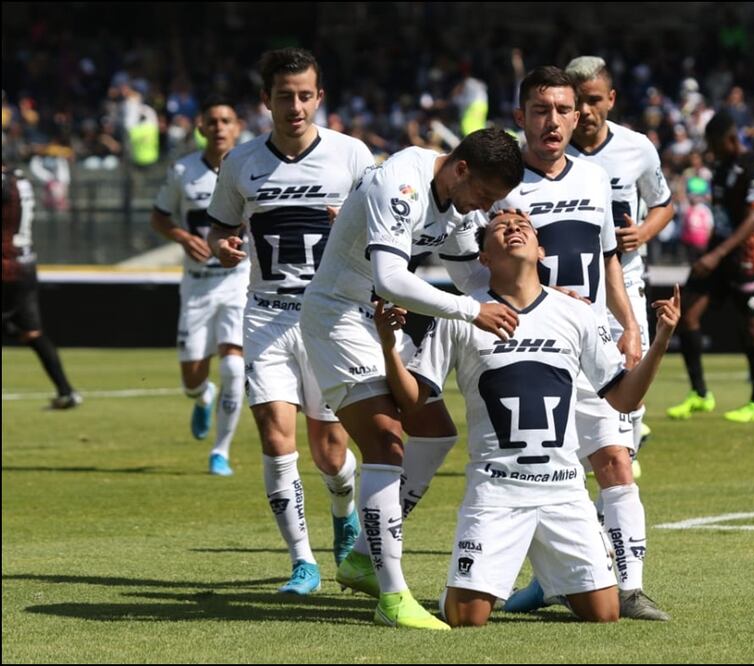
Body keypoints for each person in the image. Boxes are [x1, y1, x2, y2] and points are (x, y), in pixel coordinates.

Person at [374, 210, 682, 627]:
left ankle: (550, 580)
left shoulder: (578, 314)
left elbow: (624, 399)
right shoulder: (462, 315)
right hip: (496, 492)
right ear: (483, 257)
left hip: (564, 493)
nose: (513, 228)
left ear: (541, 249)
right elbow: (413, 403)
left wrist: (660, 340)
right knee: (466, 618)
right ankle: (488, 579)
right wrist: (390, 347)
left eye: (523, 226)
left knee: (605, 614)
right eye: (500, 228)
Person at [298, 126, 523, 629]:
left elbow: (473, 276)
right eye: (483, 195)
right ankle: (393, 598)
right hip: (336, 315)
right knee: (386, 444)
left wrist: (536, 296)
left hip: (379, 319)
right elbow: (392, 280)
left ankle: (361, 559)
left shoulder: (458, 199)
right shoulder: (402, 182)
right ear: (461, 169)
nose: (480, 208)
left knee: (436, 432)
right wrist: (471, 312)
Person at [489, 66, 667, 621]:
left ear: (578, 115)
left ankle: (631, 587)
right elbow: (486, 264)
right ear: (521, 118)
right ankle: (555, 580)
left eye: (563, 110)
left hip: (592, 343)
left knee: (616, 458)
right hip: (532, 349)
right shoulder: (503, 185)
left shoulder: (594, 178)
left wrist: (629, 324)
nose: (554, 121)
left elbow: (609, 257)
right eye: (540, 111)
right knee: (543, 474)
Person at [207, 48, 375, 595]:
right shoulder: (241, 163)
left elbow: (387, 232)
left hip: (330, 317)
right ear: (266, 101)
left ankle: (342, 509)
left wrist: (354, 225)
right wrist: (225, 246)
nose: (296, 106)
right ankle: (303, 562)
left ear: (319, 98)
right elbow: (219, 229)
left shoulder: (352, 156)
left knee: (331, 452)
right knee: (277, 438)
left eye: (305, 96)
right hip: (266, 316)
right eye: (285, 96)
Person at [564, 55, 675, 469]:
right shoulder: (550, 151)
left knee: (630, 363)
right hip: (568, 285)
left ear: (611, 99)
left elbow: (664, 204)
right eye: (578, 101)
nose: (586, 111)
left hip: (624, 279)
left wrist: (643, 232)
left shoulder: (637, 148)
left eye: (594, 100)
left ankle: (627, 445)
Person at [150, 97, 246, 476]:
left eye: (227, 120)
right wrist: (180, 236)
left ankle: (220, 451)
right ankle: (202, 396)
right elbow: (158, 217)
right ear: (201, 128)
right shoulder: (182, 171)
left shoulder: (252, 167)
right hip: (196, 286)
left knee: (236, 370)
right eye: (213, 121)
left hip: (238, 282)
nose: (220, 127)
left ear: (237, 127)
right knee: (192, 378)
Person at [666, 109, 754, 424]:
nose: (711, 151)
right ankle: (700, 394)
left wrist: (717, 253)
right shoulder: (721, 165)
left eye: (714, 144)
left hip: (747, 258)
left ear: (729, 139)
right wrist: (713, 251)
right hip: (718, 253)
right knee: (686, 313)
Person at [2, 162, 81, 410]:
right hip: (24, 262)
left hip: (6, 265)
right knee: (32, 332)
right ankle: (66, 392)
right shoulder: (19, 178)